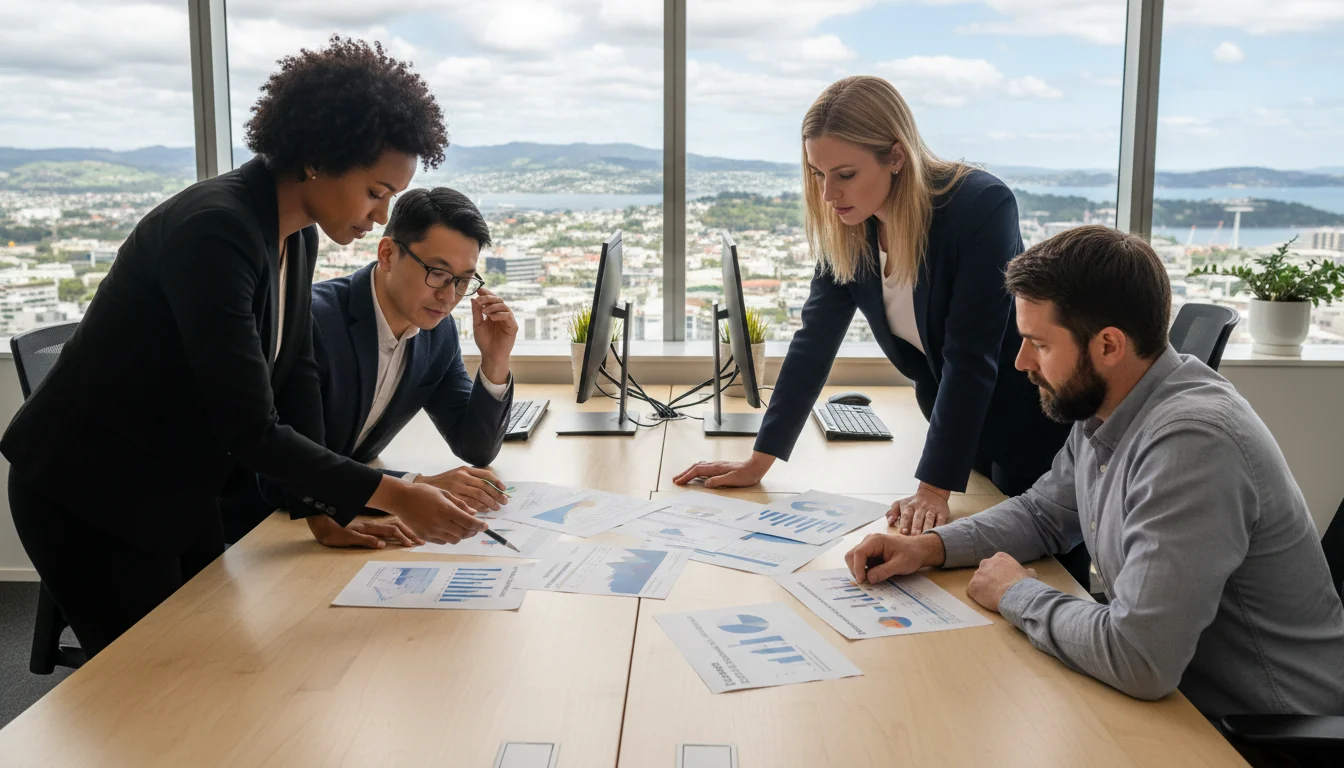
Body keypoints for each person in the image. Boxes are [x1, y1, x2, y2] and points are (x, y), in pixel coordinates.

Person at [1, 37, 489, 657]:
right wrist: (394, 494)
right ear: (317, 157)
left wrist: (324, 509)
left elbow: (296, 377)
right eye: (374, 191)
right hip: (89, 491)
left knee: (220, 654)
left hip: (178, 483)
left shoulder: (296, 234)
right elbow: (251, 428)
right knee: (151, 683)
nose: (380, 214)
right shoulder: (215, 229)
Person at [845, 225, 1344, 719]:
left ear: (1108, 345)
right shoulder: (1108, 405)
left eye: (1038, 344)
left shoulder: (1193, 443)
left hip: (1261, 732)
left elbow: (1140, 658)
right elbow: (1044, 514)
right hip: (1182, 705)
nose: (1021, 362)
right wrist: (928, 548)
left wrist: (1015, 591)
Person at [673, 75, 1076, 573]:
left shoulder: (981, 206)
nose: (827, 194)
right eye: (817, 174)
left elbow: (971, 356)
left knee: (1047, 580)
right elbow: (813, 340)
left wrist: (931, 488)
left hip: (1029, 427)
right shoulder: (854, 227)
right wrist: (761, 459)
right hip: (959, 435)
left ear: (896, 157)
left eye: (843, 174)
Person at [222, 188, 518, 546]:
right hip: (255, 533)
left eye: (463, 280)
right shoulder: (314, 321)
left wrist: (495, 359)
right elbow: (278, 477)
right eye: (438, 273)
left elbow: (476, 449)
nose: (449, 296)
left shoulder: (436, 334)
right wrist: (410, 486)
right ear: (388, 253)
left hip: (334, 521)